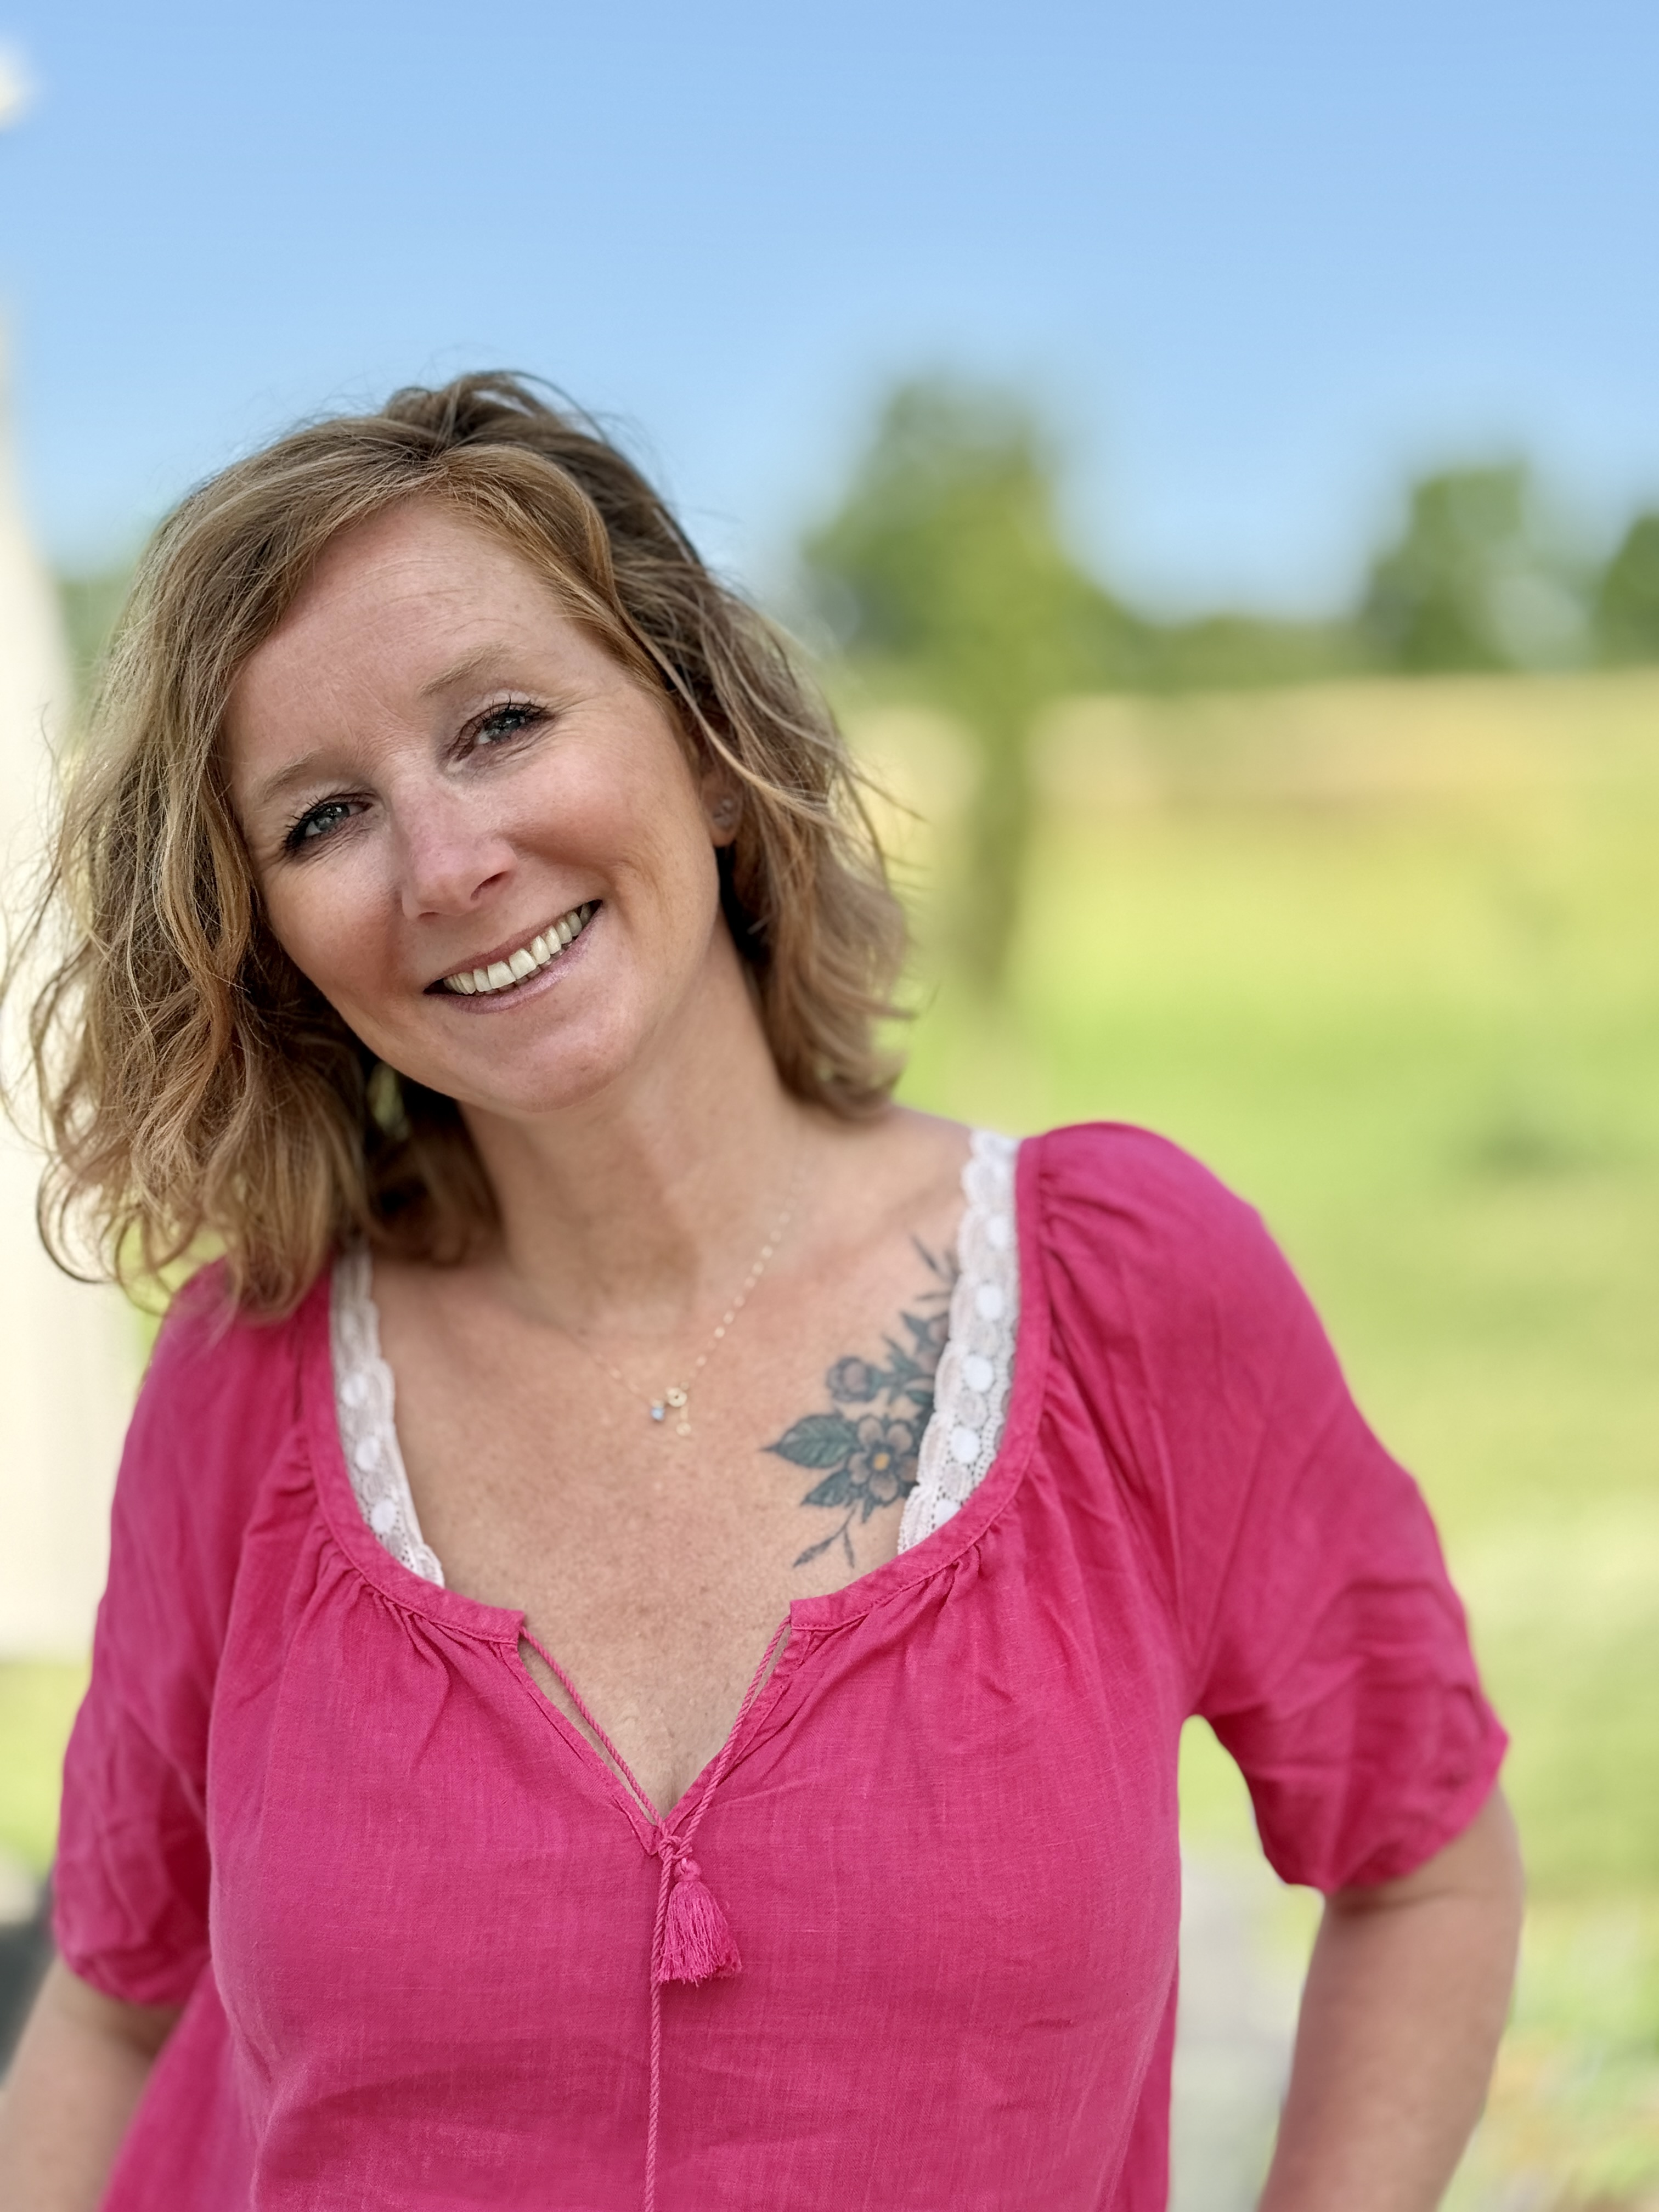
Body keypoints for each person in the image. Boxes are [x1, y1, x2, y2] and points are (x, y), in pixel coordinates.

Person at [0, 374, 1521, 2212]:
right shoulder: (249, 1378)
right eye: (322, 818)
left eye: (500, 724)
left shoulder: (1126, 1294)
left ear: (708, 745)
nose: (448, 863)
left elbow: (1425, 1866)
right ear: (265, 941)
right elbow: (112, 2007)